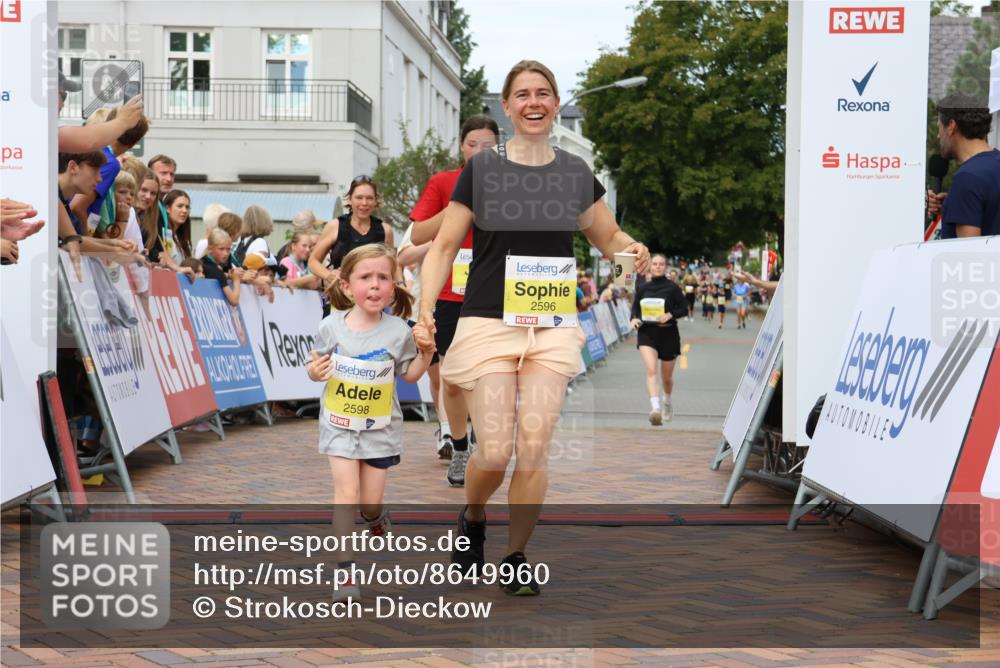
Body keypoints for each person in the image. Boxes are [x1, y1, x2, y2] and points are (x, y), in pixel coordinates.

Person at [414, 60, 649, 595]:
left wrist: (632, 248)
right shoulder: (483, 170)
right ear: (507, 105)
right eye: (523, 94)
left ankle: (516, 554)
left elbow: (607, 237)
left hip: (550, 327)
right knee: (493, 452)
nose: (534, 102)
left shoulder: (573, 171)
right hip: (488, 322)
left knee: (535, 448)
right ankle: (473, 515)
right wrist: (425, 310)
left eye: (544, 93)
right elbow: (444, 247)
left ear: (556, 102)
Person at [305, 244, 434, 600]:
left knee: (369, 502)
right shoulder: (330, 326)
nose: (375, 286)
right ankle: (345, 573)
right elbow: (315, 365)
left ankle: (376, 518)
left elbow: (410, 376)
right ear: (347, 286)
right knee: (346, 494)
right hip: (339, 424)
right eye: (366, 278)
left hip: (380, 429)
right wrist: (314, 372)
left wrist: (427, 352)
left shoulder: (398, 331)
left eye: (383, 278)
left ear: (394, 285)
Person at [409, 114, 500, 476]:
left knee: (490, 375)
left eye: (489, 146)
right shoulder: (444, 182)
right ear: (461, 148)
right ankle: (457, 440)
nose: (479, 152)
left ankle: (477, 438)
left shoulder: (512, 182)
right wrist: (458, 205)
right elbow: (418, 236)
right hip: (449, 291)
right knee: (450, 374)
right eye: (472, 144)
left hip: (493, 289)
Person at [927, 95, 1000, 238]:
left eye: (939, 128)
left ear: (951, 126)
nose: (938, 136)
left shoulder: (967, 178)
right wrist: (955, 205)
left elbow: (968, 254)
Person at [308, 176, 397, 291]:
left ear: (376, 201)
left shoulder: (385, 230)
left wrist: (399, 286)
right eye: (359, 197)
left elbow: (394, 266)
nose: (364, 203)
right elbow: (313, 262)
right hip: (341, 296)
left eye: (369, 198)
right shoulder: (335, 226)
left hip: (374, 294)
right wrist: (330, 276)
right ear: (350, 199)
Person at [629, 254, 688, 425]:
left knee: (667, 377)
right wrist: (633, 319)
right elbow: (634, 311)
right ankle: (655, 408)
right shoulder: (642, 288)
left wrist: (670, 314)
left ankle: (667, 403)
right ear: (650, 266)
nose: (658, 266)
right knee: (651, 370)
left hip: (668, 333)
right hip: (647, 333)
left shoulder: (673, 288)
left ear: (666, 267)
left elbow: (684, 309)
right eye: (655, 264)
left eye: (661, 264)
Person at [201, 228, 244, 305]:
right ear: (210, 249)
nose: (226, 253)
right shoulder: (215, 271)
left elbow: (226, 271)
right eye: (221, 249)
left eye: (228, 249)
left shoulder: (203, 261)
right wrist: (236, 279)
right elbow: (234, 301)